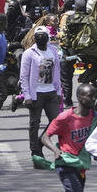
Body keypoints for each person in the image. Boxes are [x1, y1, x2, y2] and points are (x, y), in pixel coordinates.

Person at [31, 83, 97, 192]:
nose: (93, 99)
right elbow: (45, 136)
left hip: (81, 166)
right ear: (80, 97)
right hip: (66, 164)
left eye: (94, 96)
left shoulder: (94, 117)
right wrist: (55, 151)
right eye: (90, 96)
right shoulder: (65, 117)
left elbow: (96, 142)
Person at [20, 27, 63, 163]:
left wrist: (58, 91)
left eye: (43, 36)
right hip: (36, 94)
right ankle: (36, 153)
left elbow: (57, 72)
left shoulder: (53, 51)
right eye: (38, 36)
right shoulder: (29, 53)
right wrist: (27, 95)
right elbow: (24, 76)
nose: (41, 39)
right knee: (34, 124)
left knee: (56, 121)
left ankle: (41, 142)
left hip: (51, 92)